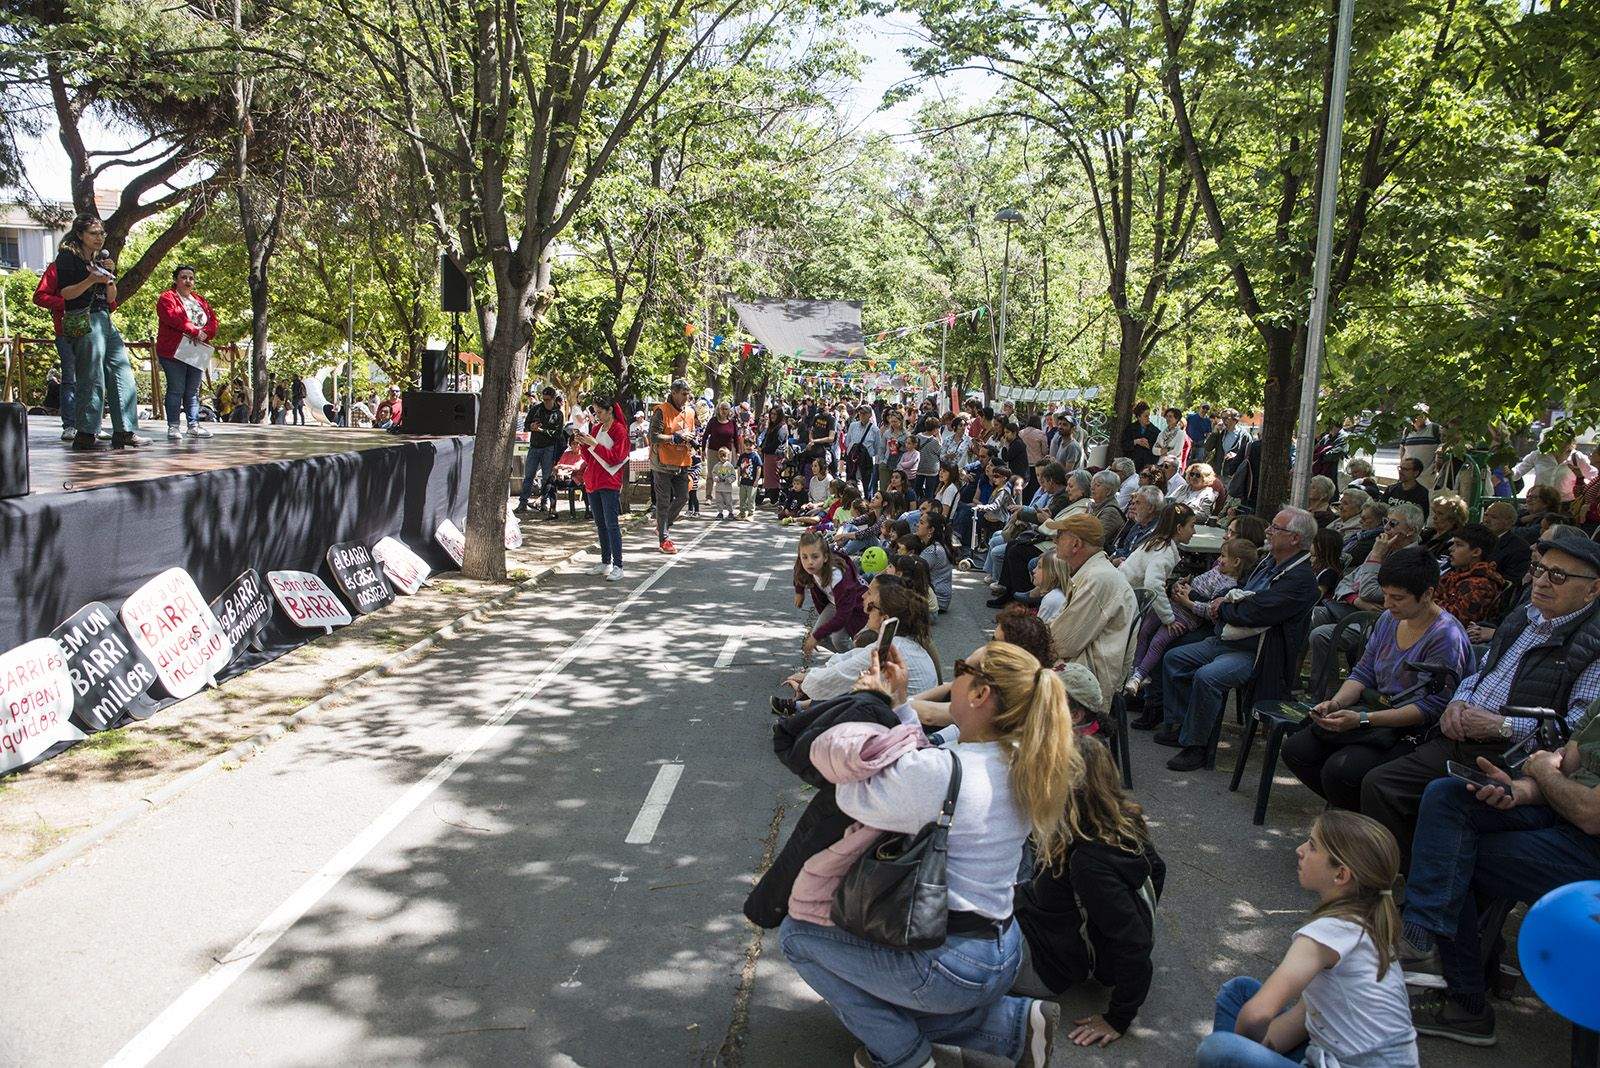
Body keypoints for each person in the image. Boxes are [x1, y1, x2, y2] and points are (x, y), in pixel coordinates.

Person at [778, 640, 1078, 1068]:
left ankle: (906, 1056)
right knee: (877, 979)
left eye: (961, 669)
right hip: (1004, 949)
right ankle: (1012, 1027)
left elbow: (850, 792)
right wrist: (900, 705)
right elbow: (927, 768)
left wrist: (869, 706)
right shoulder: (1022, 759)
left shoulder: (943, 773)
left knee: (797, 935)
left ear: (980, 693)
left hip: (951, 964)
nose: (952, 680)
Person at [1358, 536, 1600, 865]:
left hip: (1517, 756)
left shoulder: (1592, 645)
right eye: (1538, 569)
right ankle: (1404, 869)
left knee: (1444, 801)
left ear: (1592, 589)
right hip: (1463, 737)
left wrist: (1503, 726)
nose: (1541, 581)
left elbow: (1575, 732)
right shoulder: (1524, 617)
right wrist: (1457, 702)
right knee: (1379, 784)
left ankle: (1427, 879)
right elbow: (1481, 672)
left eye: (1558, 575)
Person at [1394, 697, 1600, 1047]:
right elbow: (1566, 772)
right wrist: (1516, 791)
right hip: (1565, 817)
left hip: (1590, 844)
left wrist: (1543, 771)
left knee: (1452, 852)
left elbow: (1590, 814)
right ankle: (1422, 940)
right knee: (1448, 796)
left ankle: (1465, 1001)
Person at [1195, 811, 1418, 1068]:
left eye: (1312, 846)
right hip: (1332, 1055)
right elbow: (1305, 1018)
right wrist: (1252, 1052)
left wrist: (1237, 1052)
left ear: (1340, 875)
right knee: (1239, 991)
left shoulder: (1327, 933)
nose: (1299, 850)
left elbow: (1257, 1015)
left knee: (1218, 1049)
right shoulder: (1368, 922)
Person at [1282, 548, 1474, 812]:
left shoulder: (1446, 636)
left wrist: (1363, 719)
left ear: (1427, 594)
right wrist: (1335, 704)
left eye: (1398, 598)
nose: (1387, 603)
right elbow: (1363, 672)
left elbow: (1430, 709)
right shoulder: (1388, 620)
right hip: (1376, 712)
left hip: (1413, 731)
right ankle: (1355, 812)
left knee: (1341, 770)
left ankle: (1360, 820)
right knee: (1296, 750)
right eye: (1385, 595)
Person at [1012, 736, 1165, 1048]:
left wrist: (1118, 1017)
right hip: (1041, 923)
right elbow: (1157, 870)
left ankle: (1006, 1024)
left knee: (949, 937)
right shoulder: (1123, 818)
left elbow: (1134, 942)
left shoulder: (1089, 863)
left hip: (1044, 963)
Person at [1155, 508, 1321, 772]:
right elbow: (1239, 591)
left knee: (1208, 677)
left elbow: (1254, 612)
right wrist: (1226, 600)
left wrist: (1221, 607)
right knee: (1175, 658)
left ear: (1294, 539)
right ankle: (1184, 725)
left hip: (1258, 653)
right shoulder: (1269, 561)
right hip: (1228, 637)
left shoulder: (1300, 580)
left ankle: (1197, 746)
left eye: (1276, 528)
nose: (1268, 531)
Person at [54, 216, 147, 450]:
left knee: (121, 370)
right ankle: (86, 432)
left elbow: (112, 298)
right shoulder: (67, 257)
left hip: (104, 317)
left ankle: (124, 430)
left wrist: (108, 278)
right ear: (80, 234)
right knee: (92, 375)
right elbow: (66, 294)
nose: (99, 238)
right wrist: (90, 279)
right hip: (84, 318)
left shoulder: (99, 259)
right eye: (94, 233)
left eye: (101, 233)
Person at [777, 576, 941, 708]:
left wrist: (806, 682)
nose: (863, 596)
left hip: (906, 723)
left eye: (869, 595)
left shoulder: (890, 647)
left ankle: (796, 715)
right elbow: (849, 659)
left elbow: (837, 676)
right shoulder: (905, 641)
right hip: (912, 715)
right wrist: (811, 675)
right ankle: (800, 708)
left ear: (885, 618)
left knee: (852, 694)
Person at [1129, 538, 1257, 697]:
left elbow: (1211, 610)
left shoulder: (1229, 586)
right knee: (1144, 629)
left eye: (1223, 556)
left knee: (1158, 641)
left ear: (1236, 562)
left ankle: (1139, 676)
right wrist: (1181, 584)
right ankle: (1135, 667)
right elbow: (1198, 584)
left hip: (1186, 617)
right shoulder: (1216, 570)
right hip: (1174, 606)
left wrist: (1188, 602)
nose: (1219, 559)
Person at [1043, 513, 1139, 709]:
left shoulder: (1098, 578)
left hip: (1089, 674)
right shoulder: (1093, 572)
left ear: (1076, 544)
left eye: (1060, 535)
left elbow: (1063, 642)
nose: (1055, 540)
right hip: (1083, 665)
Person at [153, 264, 220, 441]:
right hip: (173, 351)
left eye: (191, 278)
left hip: (196, 351)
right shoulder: (167, 298)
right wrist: (195, 331)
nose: (188, 281)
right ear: (176, 280)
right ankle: (173, 426)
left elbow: (213, 321)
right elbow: (173, 318)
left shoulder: (200, 300)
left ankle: (193, 426)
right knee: (176, 389)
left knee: (192, 391)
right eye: (183, 277)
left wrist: (206, 333)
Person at [571, 396, 629, 581]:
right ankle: (605, 562)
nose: (597, 416)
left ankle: (618, 565)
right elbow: (590, 458)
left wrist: (594, 444)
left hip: (609, 481)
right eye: (595, 412)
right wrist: (583, 444)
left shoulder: (619, 430)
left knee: (612, 524)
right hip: (594, 480)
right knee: (600, 524)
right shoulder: (596, 429)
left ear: (610, 410)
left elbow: (615, 458)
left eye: (600, 412)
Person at [1119, 501, 1197, 625]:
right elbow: (1153, 584)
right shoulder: (1164, 552)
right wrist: (1168, 619)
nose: (1194, 532)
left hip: (1123, 591)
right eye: (1192, 526)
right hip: (1124, 600)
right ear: (1179, 528)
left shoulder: (1157, 543)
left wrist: (1171, 585)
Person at [793, 531, 869, 655]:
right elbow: (798, 569)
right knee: (820, 637)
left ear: (825, 557)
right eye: (804, 557)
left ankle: (859, 660)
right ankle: (846, 659)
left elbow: (842, 616)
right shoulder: (806, 564)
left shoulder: (837, 577)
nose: (809, 562)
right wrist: (799, 592)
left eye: (815, 557)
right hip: (835, 603)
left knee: (838, 640)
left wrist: (816, 636)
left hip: (857, 605)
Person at [650, 378, 698, 553]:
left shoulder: (690, 412)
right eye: (683, 394)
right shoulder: (661, 411)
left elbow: (691, 432)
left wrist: (692, 440)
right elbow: (653, 436)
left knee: (683, 497)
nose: (686, 398)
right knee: (663, 501)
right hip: (661, 463)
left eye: (688, 394)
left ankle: (662, 525)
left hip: (682, 461)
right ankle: (664, 539)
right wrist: (674, 437)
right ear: (674, 393)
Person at [1433, 523, 1506, 626]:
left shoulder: (1481, 585)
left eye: (1459, 545)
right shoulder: (1456, 573)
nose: (1451, 549)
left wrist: (1427, 601)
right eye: (1453, 544)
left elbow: (1455, 620)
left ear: (1476, 552)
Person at [517, 386, 566, 516]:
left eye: (548, 399)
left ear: (553, 399)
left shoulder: (558, 414)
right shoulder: (536, 409)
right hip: (534, 446)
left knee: (546, 478)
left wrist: (541, 430)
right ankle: (523, 503)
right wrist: (531, 426)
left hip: (549, 448)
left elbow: (558, 433)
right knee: (529, 476)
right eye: (544, 399)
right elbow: (526, 425)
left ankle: (544, 503)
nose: (545, 402)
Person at [1510, 428, 1596, 501]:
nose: (1563, 445)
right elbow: (1517, 473)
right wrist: (1509, 471)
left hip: (1566, 505)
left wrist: (1581, 482)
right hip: (1541, 503)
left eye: (1566, 441)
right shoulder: (1538, 455)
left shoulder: (1577, 457)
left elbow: (1594, 477)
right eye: (1558, 441)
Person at [1120, 402, 1158, 471]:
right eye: (1145, 416)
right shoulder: (1130, 428)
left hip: (1147, 466)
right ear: (1138, 417)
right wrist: (1136, 442)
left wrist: (1149, 446)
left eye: (1149, 415)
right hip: (1132, 465)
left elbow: (1158, 448)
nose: (1148, 418)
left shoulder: (1155, 431)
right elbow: (1124, 445)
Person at [711, 447, 738, 519]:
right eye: (721, 456)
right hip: (719, 487)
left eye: (724, 455)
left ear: (728, 456)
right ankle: (720, 512)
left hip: (727, 488)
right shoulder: (717, 466)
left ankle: (730, 512)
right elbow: (714, 473)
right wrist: (715, 477)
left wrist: (729, 479)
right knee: (719, 501)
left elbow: (733, 476)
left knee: (728, 501)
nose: (723, 458)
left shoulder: (730, 466)